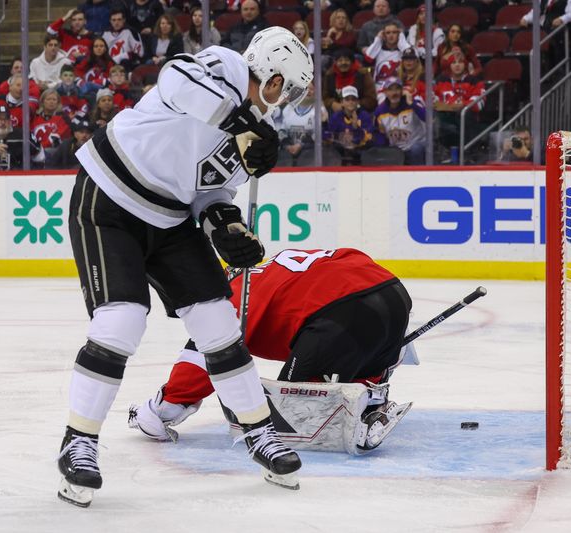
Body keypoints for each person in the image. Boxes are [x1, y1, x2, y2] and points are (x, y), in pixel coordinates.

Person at [56, 26, 313, 507]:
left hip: (170, 216)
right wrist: (240, 124)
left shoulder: (254, 134)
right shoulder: (227, 68)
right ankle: (79, 441)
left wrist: (227, 231)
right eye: (290, 89)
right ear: (276, 79)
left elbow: (210, 192)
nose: (285, 100)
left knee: (218, 323)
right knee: (121, 320)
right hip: (109, 197)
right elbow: (175, 78)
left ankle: (257, 430)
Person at [129, 247, 414, 453]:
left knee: (294, 412)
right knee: (358, 347)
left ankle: (356, 413)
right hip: (392, 293)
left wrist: (159, 411)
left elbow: (205, 358)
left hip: (341, 316)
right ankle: (372, 394)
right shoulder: (272, 272)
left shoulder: (235, 294)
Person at [433, 53, 484, 160]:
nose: (457, 65)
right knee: (434, 115)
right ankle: (440, 150)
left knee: (465, 113)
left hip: (467, 117)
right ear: (449, 65)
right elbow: (434, 101)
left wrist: (459, 106)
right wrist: (452, 107)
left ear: (465, 64)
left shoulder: (474, 81)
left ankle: (470, 151)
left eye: (460, 62)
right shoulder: (441, 80)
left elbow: (479, 103)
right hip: (445, 117)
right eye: (453, 62)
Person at [373, 77, 425, 165]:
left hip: (415, 147)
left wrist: (412, 104)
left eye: (397, 89)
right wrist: (381, 135)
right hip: (395, 152)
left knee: (416, 149)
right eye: (390, 90)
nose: (394, 93)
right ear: (385, 92)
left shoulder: (412, 104)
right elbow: (379, 138)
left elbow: (428, 118)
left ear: (402, 91)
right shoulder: (380, 112)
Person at [276, 81, 327, 166]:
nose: (309, 91)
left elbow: (318, 135)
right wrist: (287, 145)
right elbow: (281, 131)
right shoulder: (288, 109)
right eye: (306, 89)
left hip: (309, 156)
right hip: (288, 154)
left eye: (311, 89)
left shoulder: (319, 109)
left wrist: (301, 145)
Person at [326, 85, 374, 166]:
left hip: (360, 156)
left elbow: (368, 140)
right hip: (339, 155)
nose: (350, 102)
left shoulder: (365, 116)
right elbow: (329, 138)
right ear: (342, 102)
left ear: (358, 102)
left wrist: (355, 128)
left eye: (353, 99)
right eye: (347, 99)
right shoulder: (335, 117)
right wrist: (323, 123)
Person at [323, 48, 378, 113]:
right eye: (340, 61)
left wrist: (354, 105)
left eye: (347, 60)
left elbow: (371, 99)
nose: (343, 63)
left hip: (359, 111)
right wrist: (332, 103)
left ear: (352, 62)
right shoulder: (330, 75)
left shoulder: (363, 74)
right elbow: (324, 97)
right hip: (336, 111)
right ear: (335, 62)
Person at [365, 22, 411, 97]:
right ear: (384, 35)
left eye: (394, 32)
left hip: (399, 89)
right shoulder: (378, 50)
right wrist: (378, 39)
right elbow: (368, 58)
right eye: (388, 33)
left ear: (399, 34)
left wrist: (402, 39)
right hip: (380, 89)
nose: (391, 35)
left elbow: (411, 55)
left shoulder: (403, 50)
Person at [31, 89, 73, 159]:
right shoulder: (34, 118)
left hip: (55, 152)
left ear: (58, 102)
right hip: (36, 152)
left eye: (54, 99)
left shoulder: (63, 118)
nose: (51, 102)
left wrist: (40, 149)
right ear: (42, 102)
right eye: (48, 99)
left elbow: (56, 137)